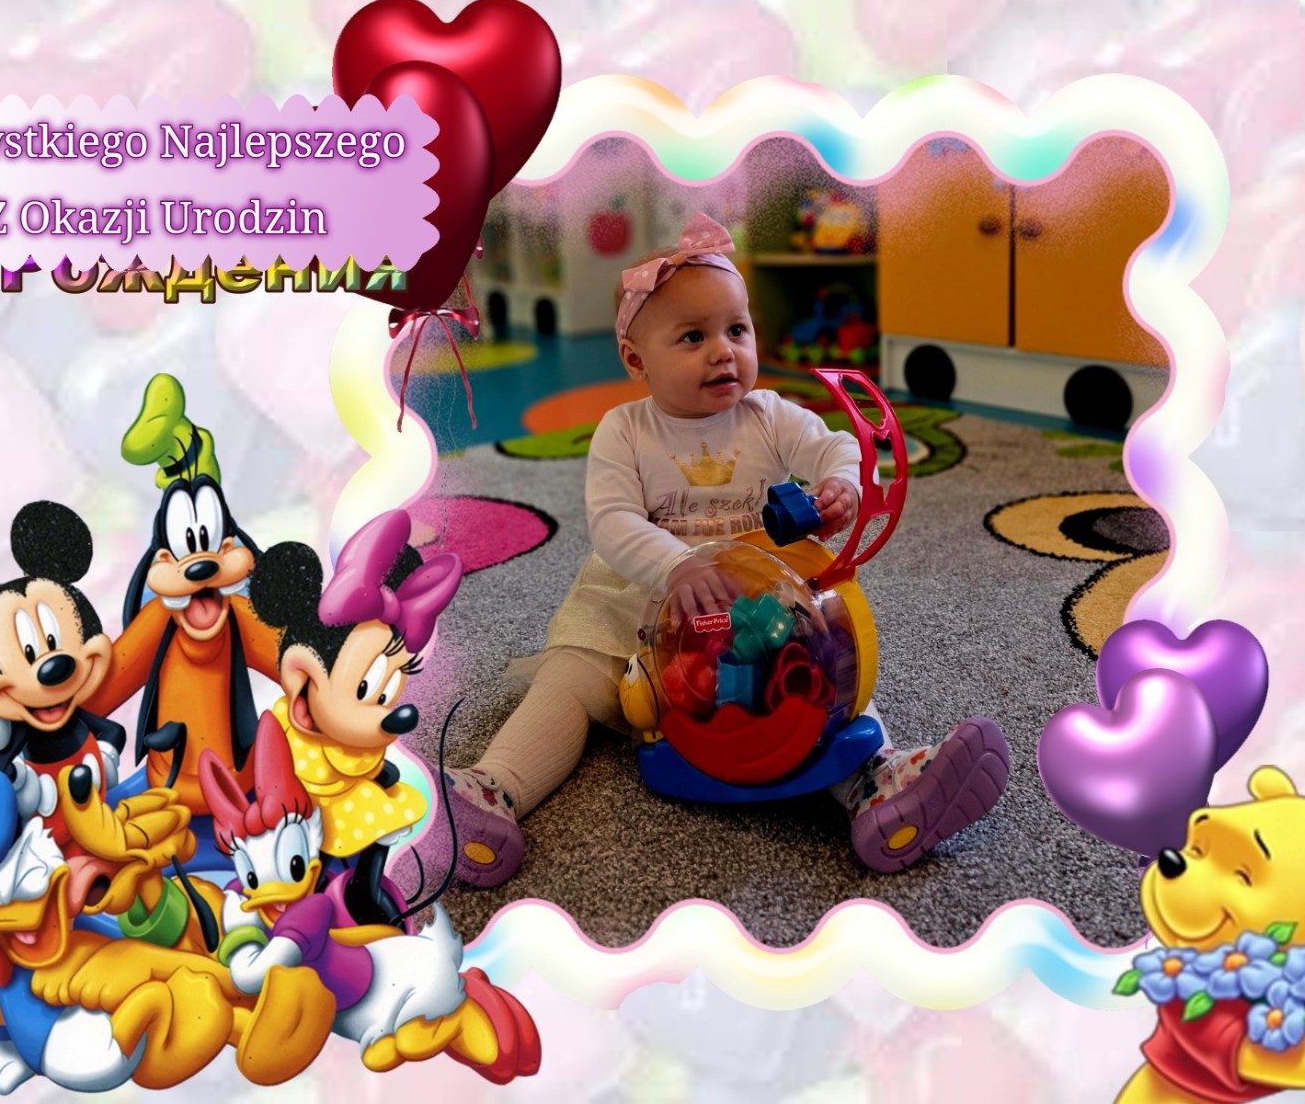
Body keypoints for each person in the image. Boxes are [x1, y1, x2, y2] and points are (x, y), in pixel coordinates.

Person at [419, 213, 1010, 887]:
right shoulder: (624, 430)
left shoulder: (770, 414)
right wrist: (676, 564)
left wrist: (841, 484)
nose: (723, 351)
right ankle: (494, 789)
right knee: (572, 679)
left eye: (737, 330)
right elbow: (611, 521)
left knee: (827, 667)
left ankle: (878, 784)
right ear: (636, 360)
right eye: (693, 337)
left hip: (762, 604)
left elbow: (837, 446)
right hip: (640, 603)